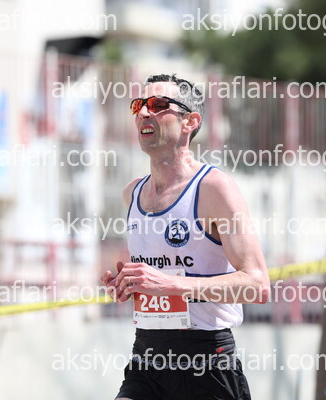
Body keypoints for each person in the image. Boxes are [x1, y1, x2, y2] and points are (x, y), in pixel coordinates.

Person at [101, 74, 270, 400]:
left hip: (206, 362)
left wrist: (171, 285)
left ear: (190, 122)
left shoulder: (214, 188)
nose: (144, 113)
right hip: (147, 359)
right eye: (138, 106)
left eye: (158, 105)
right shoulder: (132, 194)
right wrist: (127, 285)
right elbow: (156, 282)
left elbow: (257, 284)